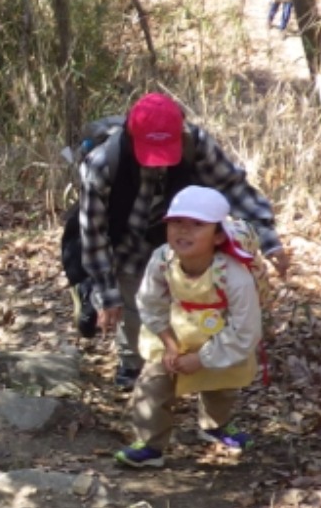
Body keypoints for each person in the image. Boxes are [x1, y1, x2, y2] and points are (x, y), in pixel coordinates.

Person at [77, 93, 288, 390]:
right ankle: (134, 365)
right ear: (131, 135)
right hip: (125, 241)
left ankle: (192, 364)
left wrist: (268, 238)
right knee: (133, 303)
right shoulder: (102, 165)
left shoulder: (196, 144)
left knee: (192, 300)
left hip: (183, 237)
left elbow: (232, 187)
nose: (159, 161)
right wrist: (106, 293)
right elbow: (93, 233)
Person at [113, 186, 262, 469]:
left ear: (218, 235)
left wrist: (203, 358)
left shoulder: (233, 274)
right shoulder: (162, 259)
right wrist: (169, 343)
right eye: (177, 223)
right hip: (176, 329)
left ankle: (214, 425)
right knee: (153, 382)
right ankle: (150, 444)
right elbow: (150, 302)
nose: (184, 231)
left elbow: (245, 328)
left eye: (197, 225)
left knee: (222, 384)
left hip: (221, 333)